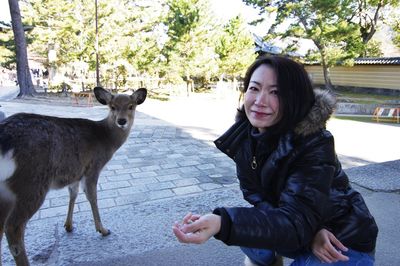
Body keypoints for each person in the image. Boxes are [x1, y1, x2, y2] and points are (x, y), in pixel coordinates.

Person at [172, 55, 378, 266]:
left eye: (276, 92)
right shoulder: (246, 138)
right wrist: (305, 232)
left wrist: (222, 223)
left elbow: (300, 214)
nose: (260, 101)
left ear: (294, 99)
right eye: (254, 88)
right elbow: (258, 198)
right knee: (248, 230)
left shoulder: (315, 143)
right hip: (300, 226)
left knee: (241, 225)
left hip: (341, 237)